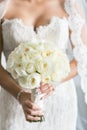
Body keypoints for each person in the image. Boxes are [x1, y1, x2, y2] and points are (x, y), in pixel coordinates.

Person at [0, 0, 87, 130]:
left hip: (59, 102)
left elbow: (83, 57)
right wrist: (20, 95)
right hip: (14, 99)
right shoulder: (3, 6)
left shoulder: (68, 5)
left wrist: (55, 81)